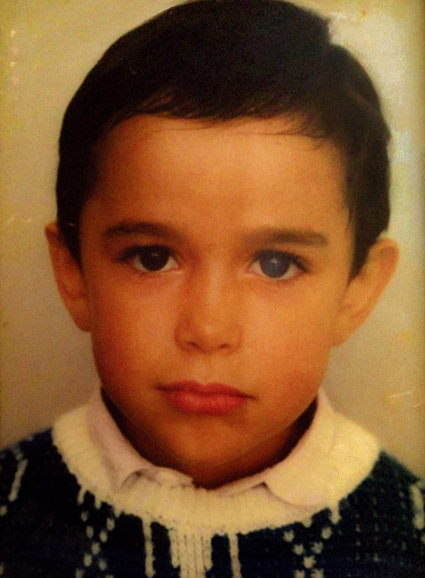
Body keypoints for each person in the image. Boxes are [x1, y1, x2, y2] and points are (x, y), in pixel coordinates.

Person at [1, 0, 423, 576]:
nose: (207, 329)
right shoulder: (11, 509)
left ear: (358, 289)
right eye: (153, 258)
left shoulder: (410, 534)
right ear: (72, 271)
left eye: (275, 264)